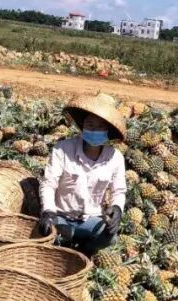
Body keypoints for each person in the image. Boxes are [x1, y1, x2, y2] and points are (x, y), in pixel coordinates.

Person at [37, 93, 127, 255]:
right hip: (61, 217)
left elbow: (119, 190)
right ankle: (66, 242)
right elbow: (49, 183)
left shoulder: (115, 158)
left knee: (110, 237)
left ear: (108, 130)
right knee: (52, 232)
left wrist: (117, 208)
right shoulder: (62, 149)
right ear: (82, 125)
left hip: (91, 219)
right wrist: (48, 211)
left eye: (100, 126)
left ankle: (85, 251)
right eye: (90, 124)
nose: (94, 130)